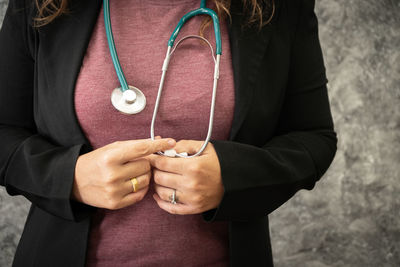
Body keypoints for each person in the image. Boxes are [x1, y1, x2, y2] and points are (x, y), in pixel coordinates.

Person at [0, 0, 337, 266]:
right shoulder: (39, 5)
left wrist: (231, 176)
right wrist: (68, 178)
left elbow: (313, 137)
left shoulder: (278, 7)